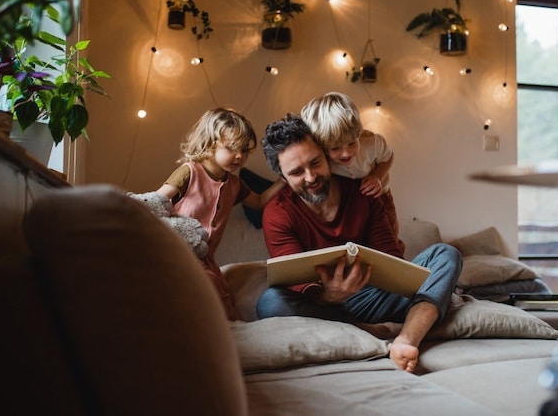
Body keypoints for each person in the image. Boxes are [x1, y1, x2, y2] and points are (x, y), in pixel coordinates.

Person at [257, 115, 462, 373]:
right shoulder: (277, 213)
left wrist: (391, 275)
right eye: (296, 172)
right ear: (283, 178)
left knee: (445, 254)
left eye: (315, 163)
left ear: (325, 155)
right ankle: (371, 329)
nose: (310, 177)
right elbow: (294, 283)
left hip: (372, 294)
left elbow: (391, 255)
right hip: (324, 304)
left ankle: (407, 339)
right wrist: (329, 294)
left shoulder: (362, 193)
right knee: (270, 302)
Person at [156, 107, 284, 321]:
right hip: (177, 255)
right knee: (206, 288)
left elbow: (260, 202)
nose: (240, 156)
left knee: (223, 296)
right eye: (232, 148)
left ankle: (232, 331)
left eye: (244, 150)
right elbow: (156, 201)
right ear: (211, 142)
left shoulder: (234, 184)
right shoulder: (190, 172)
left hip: (207, 260)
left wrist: (283, 179)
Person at [300, 92, 401, 243]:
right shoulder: (320, 158)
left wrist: (377, 178)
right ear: (322, 147)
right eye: (335, 148)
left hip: (379, 195)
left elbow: (388, 157)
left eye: (352, 143)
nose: (346, 153)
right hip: (349, 201)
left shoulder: (372, 142)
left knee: (390, 237)